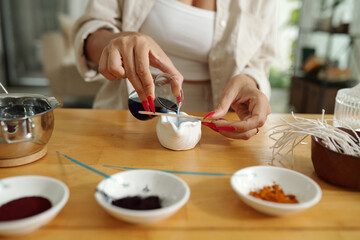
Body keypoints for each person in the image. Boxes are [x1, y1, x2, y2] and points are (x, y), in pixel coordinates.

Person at [73, 0, 276, 140]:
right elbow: (91, 30)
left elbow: (260, 60)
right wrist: (115, 42)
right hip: (123, 116)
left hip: (216, 129)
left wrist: (250, 82)